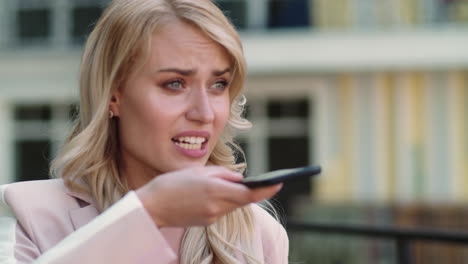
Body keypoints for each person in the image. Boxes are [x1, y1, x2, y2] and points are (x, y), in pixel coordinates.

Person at [0, 0, 288, 263]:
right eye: (175, 83)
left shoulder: (260, 233)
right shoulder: (21, 213)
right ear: (114, 95)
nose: (205, 113)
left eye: (218, 85)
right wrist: (150, 212)